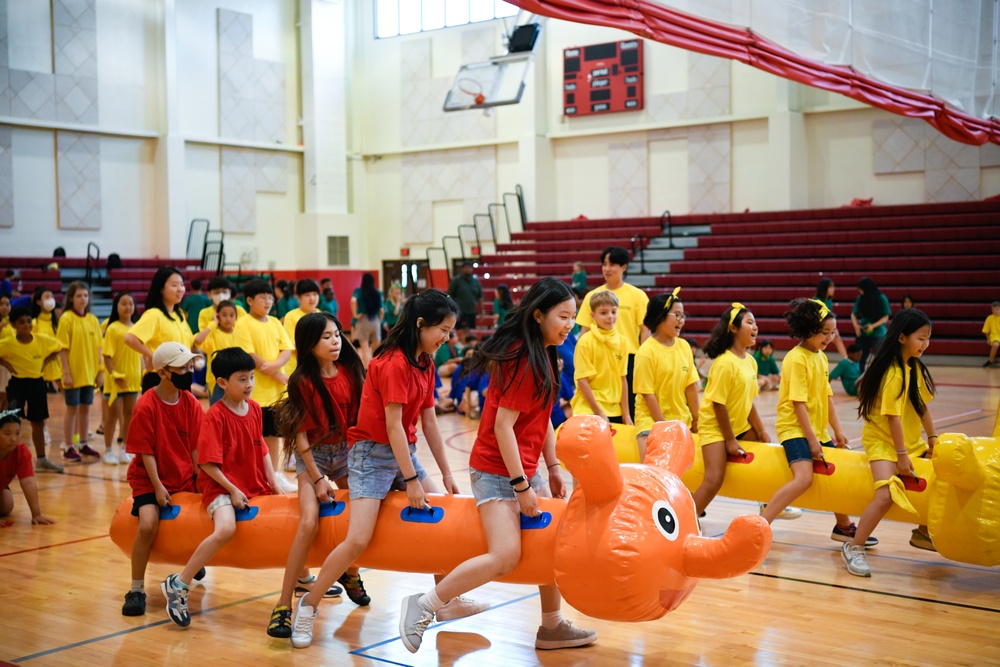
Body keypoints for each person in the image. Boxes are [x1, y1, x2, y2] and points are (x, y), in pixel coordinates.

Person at [397, 277, 596, 654]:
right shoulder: (523, 357)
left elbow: (544, 417)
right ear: (538, 315)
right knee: (505, 556)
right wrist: (522, 487)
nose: (570, 325)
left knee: (553, 542)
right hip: (496, 470)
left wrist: (553, 467)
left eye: (573, 317)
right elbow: (503, 427)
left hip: (525, 467)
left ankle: (552, 626)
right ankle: (424, 605)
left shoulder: (545, 351)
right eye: (563, 316)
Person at [291, 289, 479, 650]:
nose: (447, 337)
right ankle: (309, 604)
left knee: (438, 515)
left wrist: (446, 474)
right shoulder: (392, 362)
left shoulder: (425, 361)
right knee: (358, 540)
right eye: (443, 329)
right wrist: (410, 480)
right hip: (369, 456)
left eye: (451, 330)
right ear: (421, 324)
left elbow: (429, 422)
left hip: (402, 451)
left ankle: (447, 601)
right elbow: (393, 425)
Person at [161, 347, 282, 627]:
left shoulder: (253, 408)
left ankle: (300, 576)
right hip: (220, 487)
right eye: (242, 379)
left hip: (251, 483)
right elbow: (207, 465)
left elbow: (261, 446)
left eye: (251, 377)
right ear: (222, 383)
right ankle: (178, 584)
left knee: (282, 522)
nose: (249, 384)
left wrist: (273, 479)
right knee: (226, 528)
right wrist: (233, 490)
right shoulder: (214, 416)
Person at [267, 312, 367, 640]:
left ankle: (349, 573)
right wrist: (318, 477)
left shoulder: (352, 371)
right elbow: (300, 438)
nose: (335, 341)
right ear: (309, 345)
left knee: (359, 516)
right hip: (314, 456)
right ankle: (283, 604)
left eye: (337, 334)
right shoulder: (302, 382)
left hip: (346, 453)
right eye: (326, 337)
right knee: (309, 521)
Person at [759, 299, 877, 544]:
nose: (830, 337)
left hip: (818, 431)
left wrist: (838, 430)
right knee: (804, 478)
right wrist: (812, 440)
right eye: (825, 332)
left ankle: (843, 526)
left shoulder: (821, 358)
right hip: (794, 429)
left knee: (835, 476)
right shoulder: (796, 358)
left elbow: (827, 397)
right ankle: (761, 525)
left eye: (832, 332)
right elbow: (798, 404)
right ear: (808, 329)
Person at [842, 309, 938, 577]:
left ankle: (923, 531)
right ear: (902, 337)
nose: (925, 344)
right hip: (884, 442)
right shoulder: (893, 372)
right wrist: (902, 455)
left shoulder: (914, 368)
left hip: (910, 441)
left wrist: (932, 439)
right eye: (921, 338)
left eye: (928, 338)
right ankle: (855, 547)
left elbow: (922, 408)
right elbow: (892, 418)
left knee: (937, 479)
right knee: (884, 496)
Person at [121, 342, 205, 617]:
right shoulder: (146, 405)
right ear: (163, 372)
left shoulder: (190, 402)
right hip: (149, 478)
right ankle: (135, 589)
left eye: (190, 367)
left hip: (182, 475)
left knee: (201, 517)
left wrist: (199, 478)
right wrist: (158, 487)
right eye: (182, 368)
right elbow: (145, 452)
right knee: (147, 524)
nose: (188, 372)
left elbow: (195, 447)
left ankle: (190, 559)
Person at [690, 304, 771, 517]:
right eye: (749, 322)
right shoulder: (724, 363)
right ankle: (685, 519)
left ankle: (767, 504)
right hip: (716, 428)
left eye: (755, 323)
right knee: (714, 478)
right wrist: (730, 440)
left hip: (740, 425)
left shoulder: (752, 362)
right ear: (734, 329)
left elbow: (749, 402)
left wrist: (761, 431)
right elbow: (719, 404)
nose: (755, 327)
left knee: (770, 456)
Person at [232, 279, 295, 491]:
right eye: (262, 297)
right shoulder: (243, 324)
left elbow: (286, 349)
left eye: (270, 297)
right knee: (254, 438)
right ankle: (256, 475)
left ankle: (275, 475)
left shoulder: (276, 322)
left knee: (274, 435)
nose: (267, 301)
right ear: (249, 300)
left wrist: (275, 366)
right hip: (254, 394)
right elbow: (248, 354)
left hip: (277, 394)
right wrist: (276, 373)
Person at [576, 246, 649, 417]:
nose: (607, 269)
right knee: (597, 408)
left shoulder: (637, 295)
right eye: (604, 264)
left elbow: (645, 331)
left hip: (628, 358)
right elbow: (584, 331)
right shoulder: (592, 296)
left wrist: (642, 361)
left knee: (628, 410)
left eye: (612, 265)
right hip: (597, 359)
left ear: (623, 267)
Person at [633, 288, 700, 462]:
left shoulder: (684, 346)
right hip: (652, 423)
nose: (681, 320)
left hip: (680, 421)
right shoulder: (646, 352)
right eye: (676, 315)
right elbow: (648, 395)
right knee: (654, 475)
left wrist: (697, 420)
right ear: (660, 316)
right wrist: (665, 427)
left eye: (683, 316)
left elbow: (691, 387)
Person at [0, 307, 63, 473]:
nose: (26, 325)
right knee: (10, 421)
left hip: (37, 384)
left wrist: (45, 361)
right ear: (13, 325)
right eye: (21, 322)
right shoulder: (8, 344)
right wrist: (6, 364)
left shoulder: (42, 340)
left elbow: (59, 347)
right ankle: (7, 459)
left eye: (28, 321)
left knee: (38, 422)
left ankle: (41, 459)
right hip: (17, 384)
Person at [125, 266, 194, 393]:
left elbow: (190, 342)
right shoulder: (154, 314)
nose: (180, 289)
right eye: (174, 285)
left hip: (183, 375)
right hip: (160, 378)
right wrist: (152, 356)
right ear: (161, 289)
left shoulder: (179, 314)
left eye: (182, 285)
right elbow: (130, 338)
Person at [56, 282, 102, 463]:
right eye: (79, 296)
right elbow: (62, 349)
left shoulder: (92, 319)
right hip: (73, 374)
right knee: (72, 409)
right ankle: (68, 446)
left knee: (86, 408)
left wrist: (100, 371)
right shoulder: (66, 318)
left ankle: (83, 443)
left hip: (89, 374)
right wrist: (66, 372)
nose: (83, 299)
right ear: (71, 298)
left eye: (85, 295)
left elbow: (99, 347)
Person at [569, 290, 630, 425]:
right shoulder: (585, 342)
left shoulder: (623, 342)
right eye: (603, 313)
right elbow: (582, 381)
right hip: (588, 409)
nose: (610, 317)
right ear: (593, 315)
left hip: (614, 411)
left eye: (614, 312)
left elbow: (622, 379)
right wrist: (599, 412)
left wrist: (626, 414)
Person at [101, 292, 142, 465]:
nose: (127, 307)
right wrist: (112, 375)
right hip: (115, 380)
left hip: (132, 380)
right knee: (112, 416)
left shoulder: (137, 328)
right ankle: (108, 450)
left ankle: (125, 448)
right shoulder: (112, 328)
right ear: (116, 307)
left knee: (129, 415)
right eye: (123, 304)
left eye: (130, 304)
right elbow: (107, 355)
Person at [0, 409, 56, 526]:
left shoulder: (21, 451)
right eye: (7, 433)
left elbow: (28, 481)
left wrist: (36, 515)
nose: (13, 438)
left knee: (6, 505)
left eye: (18, 433)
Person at [193, 300, 239, 404]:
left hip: (237, 380)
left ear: (236, 317)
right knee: (217, 413)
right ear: (217, 317)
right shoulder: (213, 335)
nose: (228, 319)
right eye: (223, 315)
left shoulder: (240, 333)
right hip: (216, 381)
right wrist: (212, 324)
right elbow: (197, 340)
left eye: (231, 315)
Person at [281, 279, 322, 377]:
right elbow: (291, 344)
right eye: (307, 295)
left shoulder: (321, 315)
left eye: (315, 294)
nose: (312, 298)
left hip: (317, 365)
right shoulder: (291, 316)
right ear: (298, 297)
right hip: (296, 366)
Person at [851, 276, 891, 373]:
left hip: (878, 332)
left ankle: (881, 375)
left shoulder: (881, 298)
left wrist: (873, 326)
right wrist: (856, 326)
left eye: (860, 289)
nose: (859, 291)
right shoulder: (861, 298)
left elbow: (886, 316)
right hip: (864, 330)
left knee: (880, 356)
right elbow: (853, 314)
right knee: (860, 356)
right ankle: (859, 376)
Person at [30, 287, 62, 393]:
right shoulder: (33, 323)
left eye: (52, 296)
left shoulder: (59, 323)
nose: (50, 299)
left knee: (68, 395)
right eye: (47, 297)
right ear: (39, 302)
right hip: (40, 364)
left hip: (58, 362)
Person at [351, 273, 384, 368]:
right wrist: (379, 321)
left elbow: (353, 301)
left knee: (364, 348)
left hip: (363, 320)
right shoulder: (378, 293)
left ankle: (368, 370)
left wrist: (355, 315)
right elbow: (382, 310)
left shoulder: (358, 291)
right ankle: (375, 368)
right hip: (375, 321)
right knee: (375, 349)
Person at [815, 277, 848, 357]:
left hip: (826, 328)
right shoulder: (817, 301)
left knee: (837, 338)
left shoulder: (829, 301)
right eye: (830, 287)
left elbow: (830, 317)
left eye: (833, 286)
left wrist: (834, 329)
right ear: (824, 288)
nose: (833, 289)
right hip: (818, 329)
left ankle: (847, 360)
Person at [447, 262, 483, 335]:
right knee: (463, 330)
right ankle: (461, 345)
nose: (468, 269)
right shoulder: (456, 281)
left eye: (469, 268)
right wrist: (451, 308)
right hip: (461, 311)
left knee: (471, 330)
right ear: (463, 269)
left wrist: (481, 311)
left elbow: (480, 297)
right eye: (466, 268)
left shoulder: (476, 282)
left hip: (472, 310)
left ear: (472, 269)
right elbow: (449, 295)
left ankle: (469, 345)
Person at [982, 301, 1000, 368]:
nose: (995, 311)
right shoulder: (989, 318)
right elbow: (986, 331)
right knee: (995, 344)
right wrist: (988, 339)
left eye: (997, 309)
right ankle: (990, 360)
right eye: (993, 309)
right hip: (995, 336)